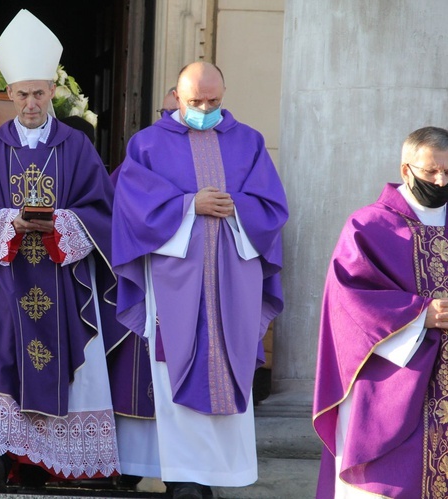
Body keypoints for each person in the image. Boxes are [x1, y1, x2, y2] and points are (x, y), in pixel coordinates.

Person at [0, 9, 125, 491]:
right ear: (8, 95)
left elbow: (102, 210)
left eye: (39, 92)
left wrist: (62, 224)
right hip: (4, 282)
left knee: (65, 365)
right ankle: (0, 456)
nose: (31, 102)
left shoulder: (77, 147)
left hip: (63, 282)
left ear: (54, 91)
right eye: (22, 94)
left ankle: (54, 463)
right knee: (1, 358)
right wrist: (8, 221)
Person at [111, 61, 288, 499]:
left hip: (234, 281)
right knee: (175, 366)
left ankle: (223, 473)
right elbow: (133, 207)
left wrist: (236, 207)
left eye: (214, 101)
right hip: (175, 284)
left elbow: (271, 207)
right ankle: (184, 476)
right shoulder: (147, 144)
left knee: (232, 362)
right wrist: (190, 205)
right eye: (196, 102)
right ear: (177, 95)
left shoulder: (248, 142)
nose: (205, 109)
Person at [314, 126, 448, 498]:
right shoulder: (369, 225)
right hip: (394, 380)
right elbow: (348, 302)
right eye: (431, 171)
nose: (440, 180)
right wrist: (422, 315)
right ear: (406, 170)